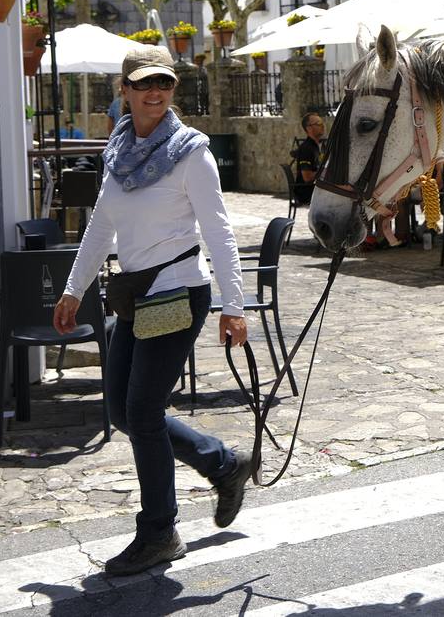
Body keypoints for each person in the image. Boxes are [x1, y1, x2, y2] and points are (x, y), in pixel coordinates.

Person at [52, 46, 251, 577]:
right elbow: (101, 227)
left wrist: (234, 304)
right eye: (143, 85)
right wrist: (74, 289)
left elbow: (220, 233)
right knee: (121, 412)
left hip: (178, 293)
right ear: (125, 91)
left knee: (141, 412)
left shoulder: (191, 152)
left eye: (164, 83)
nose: (155, 92)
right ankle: (224, 464)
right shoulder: (118, 154)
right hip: (137, 298)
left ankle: (160, 531)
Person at [292, 111, 325, 205]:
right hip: (307, 192)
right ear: (309, 128)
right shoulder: (306, 148)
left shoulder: (318, 146)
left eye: (322, 122)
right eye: (318, 124)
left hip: (317, 188)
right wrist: (326, 172)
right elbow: (307, 177)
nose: (322, 125)